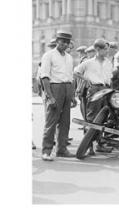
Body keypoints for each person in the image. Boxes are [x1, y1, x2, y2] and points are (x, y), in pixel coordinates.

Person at [39, 30, 77, 161]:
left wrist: (72, 95)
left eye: (67, 42)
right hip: (55, 87)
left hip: (67, 88)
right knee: (51, 121)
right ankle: (46, 151)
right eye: (62, 41)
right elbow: (44, 77)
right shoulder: (48, 55)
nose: (65, 44)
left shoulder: (69, 57)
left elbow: (71, 78)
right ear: (57, 41)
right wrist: (50, 96)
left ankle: (62, 149)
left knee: (65, 122)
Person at [74, 39, 114, 153]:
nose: (107, 51)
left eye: (107, 49)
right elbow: (76, 72)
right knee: (91, 118)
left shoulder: (108, 62)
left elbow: (109, 77)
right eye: (105, 49)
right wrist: (87, 80)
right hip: (94, 90)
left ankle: (100, 144)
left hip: (106, 89)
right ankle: (88, 146)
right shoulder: (88, 63)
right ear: (97, 49)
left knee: (103, 118)